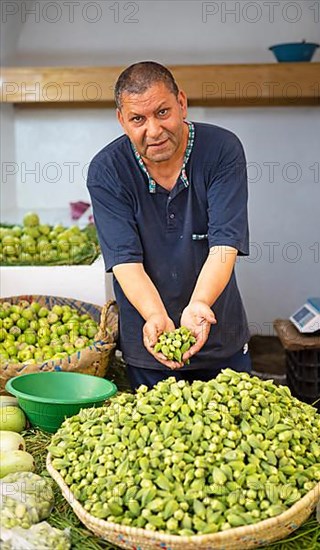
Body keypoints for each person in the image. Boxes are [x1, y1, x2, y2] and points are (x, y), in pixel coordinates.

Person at [87, 61, 251, 390]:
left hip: (221, 340)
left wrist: (200, 304)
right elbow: (124, 261)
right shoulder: (107, 171)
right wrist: (155, 315)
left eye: (163, 112)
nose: (154, 130)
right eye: (138, 119)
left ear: (182, 103)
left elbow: (224, 245)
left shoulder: (222, 150)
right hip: (149, 342)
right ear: (122, 121)